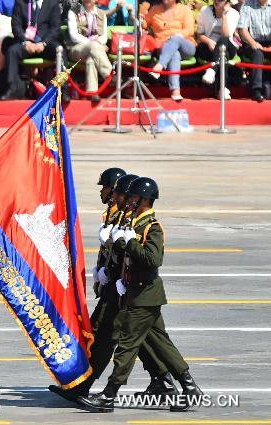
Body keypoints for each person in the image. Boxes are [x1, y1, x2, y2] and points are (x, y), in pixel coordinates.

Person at [49, 172, 178, 406]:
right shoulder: (116, 215)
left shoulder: (136, 221)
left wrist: (116, 271)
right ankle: (163, 380)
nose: (104, 193)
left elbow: (139, 255)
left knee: (108, 337)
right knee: (145, 338)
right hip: (118, 288)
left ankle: (89, 386)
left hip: (127, 289)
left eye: (108, 189)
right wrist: (103, 270)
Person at [78, 177, 202, 413]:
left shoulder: (151, 227)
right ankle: (190, 388)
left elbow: (153, 260)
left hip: (144, 294)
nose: (131, 200)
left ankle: (109, 395)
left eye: (135, 197)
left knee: (127, 345)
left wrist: (130, 243)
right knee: (163, 346)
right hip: (136, 293)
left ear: (145, 200)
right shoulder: (135, 223)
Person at [1, 0, 61, 100]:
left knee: (60, 50)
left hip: (45, 43)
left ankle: (64, 89)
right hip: (26, 42)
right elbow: (15, 25)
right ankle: (12, 88)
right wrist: (24, 41)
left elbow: (55, 28)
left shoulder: (53, 2)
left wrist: (44, 43)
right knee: (12, 51)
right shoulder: (20, 0)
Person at [143, 0, 196, 102]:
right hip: (163, 47)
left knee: (175, 39)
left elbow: (190, 30)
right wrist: (140, 17)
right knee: (174, 54)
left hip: (185, 45)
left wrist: (175, 37)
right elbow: (144, 24)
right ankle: (175, 91)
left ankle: (159, 66)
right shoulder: (155, 9)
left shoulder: (184, 10)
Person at [68, 0, 111, 96]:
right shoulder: (73, 12)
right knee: (94, 47)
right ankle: (111, 76)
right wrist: (92, 43)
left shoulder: (102, 14)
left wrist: (96, 44)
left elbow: (104, 37)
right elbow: (74, 36)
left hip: (96, 50)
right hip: (77, 49)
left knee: (91, 59)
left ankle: (92, 92)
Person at [196, 0, 239, 97]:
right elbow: (199, 34)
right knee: (223, 55)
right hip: (207, 45)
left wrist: (224, 16)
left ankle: (212, 70)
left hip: (227, 45)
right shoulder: (205, 11)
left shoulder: (234, 14)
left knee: (223, 44)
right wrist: (209, 41)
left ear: (227, 2)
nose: (216, 1)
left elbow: (226, 35)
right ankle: (223, 89)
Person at [236, 0, 271, 102]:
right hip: (252, 40)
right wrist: (252, 43)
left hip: (269, 40)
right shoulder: (247, 5)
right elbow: (242, 29)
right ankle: (256, 89)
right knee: (257, 53)